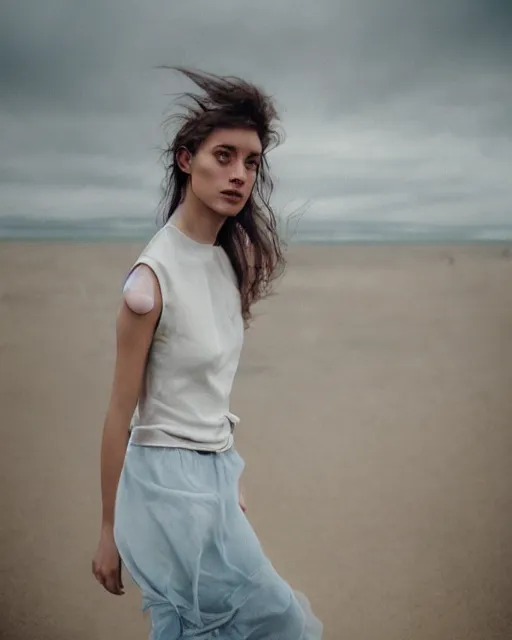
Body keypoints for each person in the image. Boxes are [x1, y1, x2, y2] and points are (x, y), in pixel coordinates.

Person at [91, 67, 323, 639]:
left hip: (214, 475)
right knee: (281, 621)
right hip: (166, 486)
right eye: (224, 155)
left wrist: (228, 477)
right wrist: (108, 529)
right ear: (185, 159)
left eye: (251, 162)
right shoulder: (151, 279)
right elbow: (121, 411)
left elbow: (209, 390)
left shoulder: (224, 260)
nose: (239, 174)